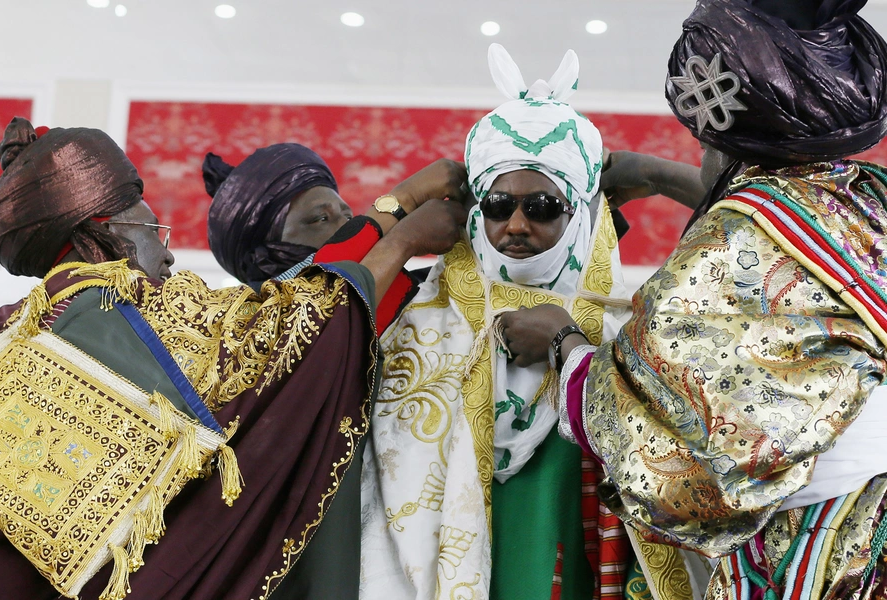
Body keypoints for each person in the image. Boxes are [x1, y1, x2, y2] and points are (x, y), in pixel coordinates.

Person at [0, 117, 464, 600]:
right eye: (156, 229)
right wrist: (401, 226)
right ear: (109, 230)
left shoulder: (2, 339)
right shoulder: (126, 308)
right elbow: (296, 334)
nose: (170, 257)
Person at [505, 1, 887, 597]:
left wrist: (565, 343)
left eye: (703, 143)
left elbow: (673, 444)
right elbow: (774, 225)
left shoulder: (731, 243)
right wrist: (661, 177)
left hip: (817, 545)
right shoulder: (869, 199)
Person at [360, 44, 640, 600]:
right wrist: (399, 215)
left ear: (579, 212)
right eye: (495, 206)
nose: (515, 225)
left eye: (541, 208)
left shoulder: (620, 326)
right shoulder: (422, 316)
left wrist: (570, 344)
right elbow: (310, 318)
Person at [203, 145, 470, 334]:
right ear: (263, 258)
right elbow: (321, 317)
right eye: (320, 219)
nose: (349, 227)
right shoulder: (249, 329)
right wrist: (404, 206)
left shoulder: (417, 291)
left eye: (349, 215)